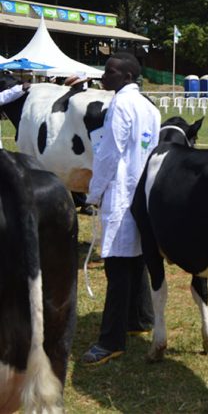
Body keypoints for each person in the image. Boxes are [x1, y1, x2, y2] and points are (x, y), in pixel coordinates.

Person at [82, 52, 161, 365]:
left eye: (110, 71)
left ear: (127, 76)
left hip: (121, 191)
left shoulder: (120, 104)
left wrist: (93, 192)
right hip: (141, 194)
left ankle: (110, 340)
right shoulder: (150, 108)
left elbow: (108, 152)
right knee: (136, 257)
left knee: (116, 268)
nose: (104, 76)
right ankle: (139, 319)